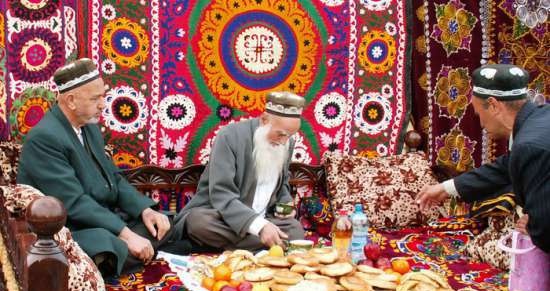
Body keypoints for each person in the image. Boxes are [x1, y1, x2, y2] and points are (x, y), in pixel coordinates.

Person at [17, 58, 190, 276]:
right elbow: (74, 203)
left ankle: (144, 250)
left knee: (162, 222)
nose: (102, 104)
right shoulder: (44, 138)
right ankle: (143, 252)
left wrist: (144, 209)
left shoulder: (88, 126)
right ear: (71, 100)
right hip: (71, 228)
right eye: (95, 98)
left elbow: (114, 177)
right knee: (106, 248)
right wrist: (126, 235)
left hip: (104, 216)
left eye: (103, 96)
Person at [417, 63, 550, 253]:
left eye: (479, 113)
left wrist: (533, 228)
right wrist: (446, 188)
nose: (480, 123)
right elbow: (506, 167)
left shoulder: (529, 146)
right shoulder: (541, 118)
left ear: (494, 105)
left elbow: (545, 231)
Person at [174, 92, 306, 251]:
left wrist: (285, 204)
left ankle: (238, 245)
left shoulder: (286, 143)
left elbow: (282, 184)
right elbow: (221, 193)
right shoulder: (229, 136)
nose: (284, 141)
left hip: (265, 218)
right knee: (198, 222)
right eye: (281, 134)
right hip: (224, 217)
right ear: (264, 120)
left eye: (290, 136)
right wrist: (260, 227)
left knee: (296, 230)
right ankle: (268, 244)